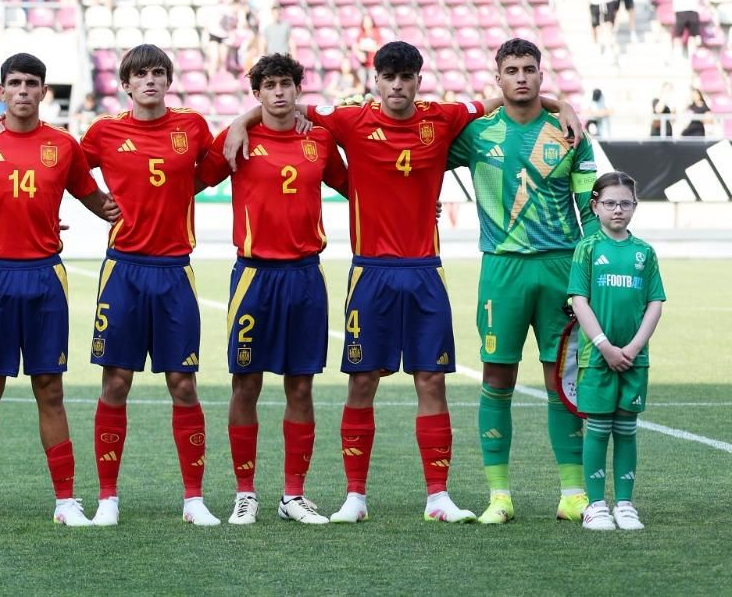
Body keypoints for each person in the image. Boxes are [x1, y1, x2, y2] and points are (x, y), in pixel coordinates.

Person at [224, 42, 576, 525]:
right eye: (388, 77)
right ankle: (354, 497)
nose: (396, 86)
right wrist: (242, 121)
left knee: (431, 380)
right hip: (370, 273)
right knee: (362, 380)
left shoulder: (445, 116)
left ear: (418, 81)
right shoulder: (349, 120)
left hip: (425, 271)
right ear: (376, 81)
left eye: (405, 77)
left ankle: (438, 497)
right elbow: (280, 104)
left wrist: (565, 105)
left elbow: (510, 100)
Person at [0, 54, 120, 529]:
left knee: (50, 389)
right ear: (1, 91)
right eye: (14, 83)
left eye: (31, 84)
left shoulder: (63, 146)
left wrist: (142, 206)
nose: (23, 90)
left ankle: (65, 500)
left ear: (44, 92)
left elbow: (95, 197)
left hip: (46, 277)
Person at [191, 53, 349, 526]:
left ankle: (293, 496)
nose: (279, 92)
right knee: (247, 384)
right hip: (254, 277)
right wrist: (240, 122)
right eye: (269, 86)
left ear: (298, 89)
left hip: (305, 276)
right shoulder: (237, 138)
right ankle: (245, 494)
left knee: (301, 387)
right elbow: (189, 180)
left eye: (286, 84)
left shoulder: (319, 139)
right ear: (256, 94)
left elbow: (358, 185)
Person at [446, 40, 598, 526]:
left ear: (541, 73)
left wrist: (593, 267)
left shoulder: (569, 133)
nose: (521, 78)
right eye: (511, 70)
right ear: (498, 78)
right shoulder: (475, 133)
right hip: (502, 269)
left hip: (560, 268)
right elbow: (419, 143)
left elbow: (589, 209)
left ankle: (573, 493)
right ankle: (500, 496)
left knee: (562, 382)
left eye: (530, 69)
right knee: (496, 378)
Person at [77, 46, 229, 527]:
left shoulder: (192, 126)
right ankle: (107, 499)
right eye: (140, 74)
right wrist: (96, 203)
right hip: (122, 270)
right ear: (125, 84)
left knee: (183, 385)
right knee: (116, 382)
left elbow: (218, 165)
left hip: (174, 271)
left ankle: (194, 500)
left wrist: (244, 120)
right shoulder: (104, 131)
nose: (149, 81)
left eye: (158, 73)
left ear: (168, 80)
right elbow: (64, 169)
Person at [569, 173, 664, 533]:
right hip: (598, 358)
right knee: (597, 429)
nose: (618, 210)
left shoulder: (645, 252)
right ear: (595, 206)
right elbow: (579, 300)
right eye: (609, 203)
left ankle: (624, 503)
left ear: (635, 207)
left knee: (626, 429)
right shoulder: (588, 248)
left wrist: (633, 347)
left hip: (634, 358)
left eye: (625, 203)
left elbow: (655, 303)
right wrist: (605, 346)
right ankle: (595, 505)